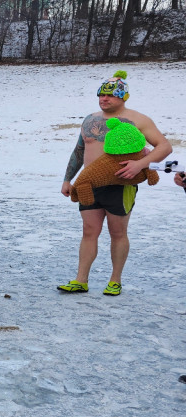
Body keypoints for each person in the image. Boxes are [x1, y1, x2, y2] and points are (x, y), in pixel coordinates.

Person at [58, 70, 171, 295]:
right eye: (101, 95)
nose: (104, 99)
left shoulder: (138, 120)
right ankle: (81, 280)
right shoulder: (90, 120)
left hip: (122, 184)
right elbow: (80, 151)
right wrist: (68, 178)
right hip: (90, 184)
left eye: (110, 95)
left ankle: (115, 280)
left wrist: (141, 165)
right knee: (89, 231)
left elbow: (164, 146)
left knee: (117, 232)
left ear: (123, 97)